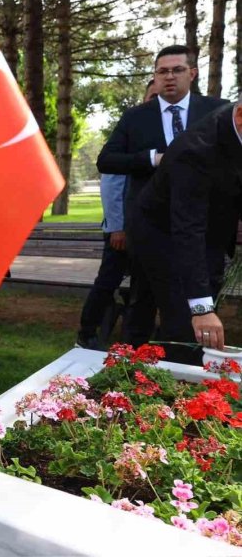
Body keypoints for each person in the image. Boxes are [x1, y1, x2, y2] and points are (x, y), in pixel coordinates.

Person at [96, 45, 226, 347]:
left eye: (177, 70)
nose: (169, 77)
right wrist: (152, 159)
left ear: (192, 74)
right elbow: (107, 160)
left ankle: (188, 374)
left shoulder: (218, 112)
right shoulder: (136, 117)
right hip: (149, 231)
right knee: (141, 305)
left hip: (203, 230)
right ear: (154, 77)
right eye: (162, 71)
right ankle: (132, 372)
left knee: (194, 308)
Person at [134, 99, 242, 363]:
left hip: (211, 232)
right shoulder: (195, 150)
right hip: (163, 235)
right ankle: (180, 384)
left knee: (199, 307)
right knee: (188, 323)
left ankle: (163, 357)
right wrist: (202, 308)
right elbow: (187, 229)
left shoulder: (233, 128)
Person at [76, 80, 158, 349]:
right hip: (123, 228)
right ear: (145, 97)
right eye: (152, 95)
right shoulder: (132, 128)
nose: (157, 101)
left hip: (153, 229)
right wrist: (117, 227)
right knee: (107, 281)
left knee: (144, 287)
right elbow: (112, 183)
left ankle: (134, 338)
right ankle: (88, 331)